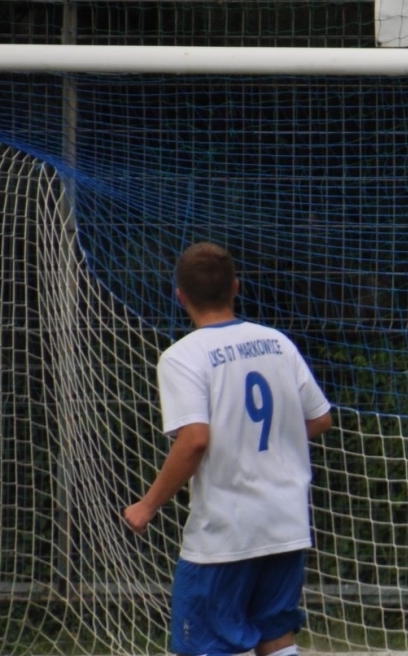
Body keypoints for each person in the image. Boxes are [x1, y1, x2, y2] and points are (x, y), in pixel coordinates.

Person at [123, 242, 334, 656]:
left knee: (206, 644)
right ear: (236, 287)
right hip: (285, 521)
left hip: (227, 529)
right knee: (276, 634)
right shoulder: (276, 342)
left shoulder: (183, 357)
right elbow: (321, 417)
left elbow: (195, 440)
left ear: (179, 295)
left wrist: (146, 506)